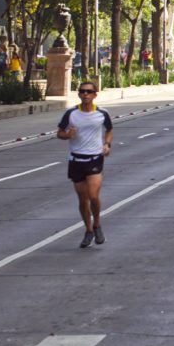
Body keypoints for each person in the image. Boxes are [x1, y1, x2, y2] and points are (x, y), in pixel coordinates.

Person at [57, 81, 113, 248]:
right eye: (82, 92)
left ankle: (97, 224)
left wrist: (107, 144)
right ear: (79, 94)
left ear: (95, 94)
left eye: (89, 92)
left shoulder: (102, 113)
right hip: (76, 160)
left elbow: (109, 129)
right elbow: (59, 133)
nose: (85, 95)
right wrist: (67, 135)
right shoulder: (71, 114)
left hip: (94, 158)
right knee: (83, 199)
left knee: (93, 195)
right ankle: (88, 230)